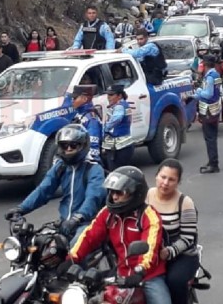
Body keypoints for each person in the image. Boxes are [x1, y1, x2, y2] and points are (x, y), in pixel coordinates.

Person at [64, 166, 171, 304]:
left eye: (120, 192)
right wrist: (71, 259)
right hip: (121, 275)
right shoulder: (107, 213)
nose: (114, 197)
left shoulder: (148, 215)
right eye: (112, 192)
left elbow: (150, 247)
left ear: (135, 193)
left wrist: (140, 271)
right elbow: (89, 236)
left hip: (148, 276)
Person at [4, 125, 106, 243]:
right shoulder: (60, 167)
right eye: (64, 145)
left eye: (73, 145)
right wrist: (20, 209)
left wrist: (77, 218)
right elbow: (43, 190)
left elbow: (93, 198)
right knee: (40, 248)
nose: (68, 149)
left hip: (88, 223)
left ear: (83, 145)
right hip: (65, 223)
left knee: (73, 253)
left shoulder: (93, 168)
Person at [146, 159, 199, 304]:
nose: (165, 183)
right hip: (151, 254)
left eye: (171, 179)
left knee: (174, 281)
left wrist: (169, 252)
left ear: (178, 182)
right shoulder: (147, 195)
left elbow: (188, 238)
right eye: (163, 177)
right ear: (156, 176)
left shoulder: (185, 202)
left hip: (182, 256)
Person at [194, 55, 222, 173]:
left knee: (210, 137)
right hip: (214, 109)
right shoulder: (216, 75)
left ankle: (213, 164)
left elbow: (208, 94)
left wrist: (198, 92)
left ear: (204, 65)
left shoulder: (210, 77)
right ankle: (212, 161)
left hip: (209, 110)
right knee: (212, 137)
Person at [102, 85, 134, 172]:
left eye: (111, 95)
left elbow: (117, 118)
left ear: (119, 96)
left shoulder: (119, 107)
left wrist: (105, 128)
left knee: (116, 174)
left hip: (119, 147)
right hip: (122, 145)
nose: (108, 97)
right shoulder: (122, 105)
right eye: (108, 95)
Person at [71, 85, 103, 163]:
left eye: (75, 98)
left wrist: (90, 162)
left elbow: (93, 143)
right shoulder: (79, 114)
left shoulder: (91, 118)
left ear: (84, 99)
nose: (72, 101)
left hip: (87, 161)